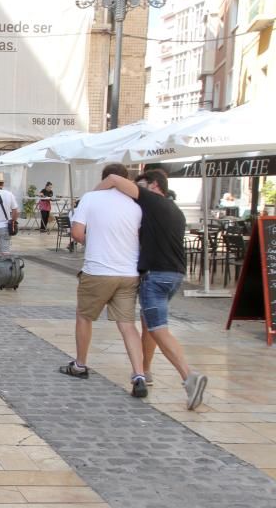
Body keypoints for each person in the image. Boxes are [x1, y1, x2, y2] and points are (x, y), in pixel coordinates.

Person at [95, 167, 208, 410]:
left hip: (155, 276)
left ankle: (189, 377)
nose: (137, 192)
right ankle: (145, 369)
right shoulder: (174, 210)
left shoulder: (152, 201)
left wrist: (93, 198)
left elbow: (114, 179)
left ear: (155, 186)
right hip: (174, 275)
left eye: (141, 186)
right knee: (149, 324)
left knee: (158, 328)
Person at [58, 164, 148, 398]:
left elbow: (77, 234)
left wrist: (96, 240)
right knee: (127, 324)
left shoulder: (90, 198)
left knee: (84, 317)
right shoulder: (136, 205)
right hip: (128, 273)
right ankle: (139, 374)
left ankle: (80, 364)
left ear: (104, 178)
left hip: (98, 270)